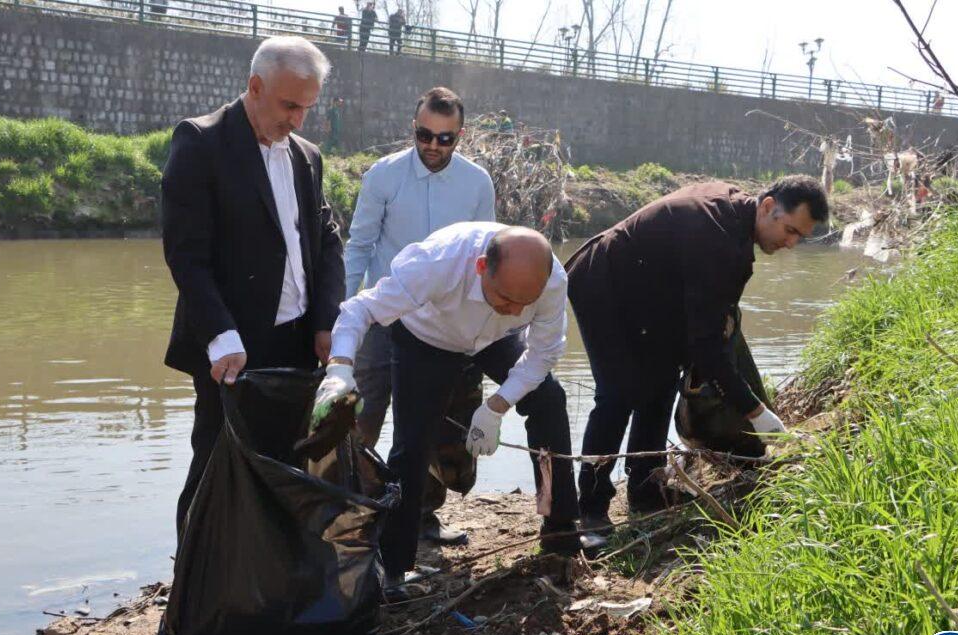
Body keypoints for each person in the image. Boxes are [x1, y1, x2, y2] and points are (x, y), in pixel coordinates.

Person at [315, 224, 607, 595]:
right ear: (482, 266)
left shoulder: (550, 280)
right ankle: (393, 568)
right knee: (413, 443)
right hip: (426, 337)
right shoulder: (435, 263)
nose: (516, 309)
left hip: (495, 340)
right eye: (506, 298)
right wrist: (340, 367)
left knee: (549, 399)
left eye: (525, 303)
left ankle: (561, 530)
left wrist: (497, 406)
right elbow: (362, 308)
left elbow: (544, 352)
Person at [565, 176, 828, 530]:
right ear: (768, 207)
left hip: (651, 292)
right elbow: (706, 348)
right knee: (619, 393)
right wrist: (755, 411)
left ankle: (646, 489)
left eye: (801, 236)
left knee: (660, 381)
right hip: (604, 282)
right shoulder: (719, 238)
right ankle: (590, 509)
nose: (792, 243)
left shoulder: (736, 220)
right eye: (791, 230)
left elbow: (705, 329)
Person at [161, 37, 345, 537]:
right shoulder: (201, 142)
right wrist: (220, 334)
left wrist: (327, 320)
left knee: (287, 464)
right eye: (289, 106)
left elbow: (327, 240)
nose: (297, 121)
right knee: (215, 465)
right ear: (255, 86)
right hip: (234, 344)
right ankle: (195, 591)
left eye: (306, 108)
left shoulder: (307, 156)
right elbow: (186, 254)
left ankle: (272, 579)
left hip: (298, 339)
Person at [345, 86, 495, 544]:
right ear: (414, 128)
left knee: (428, 422)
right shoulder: (383, 176)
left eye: (445, 139)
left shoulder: (477, 184)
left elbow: (485, 256)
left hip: (442, 325)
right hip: (384, 316)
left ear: (460, 136)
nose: (433, 146)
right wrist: (342, 321)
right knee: (362, 416)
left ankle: (422, 516)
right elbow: (359, 246)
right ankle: (358, 515)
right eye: (424, 135)